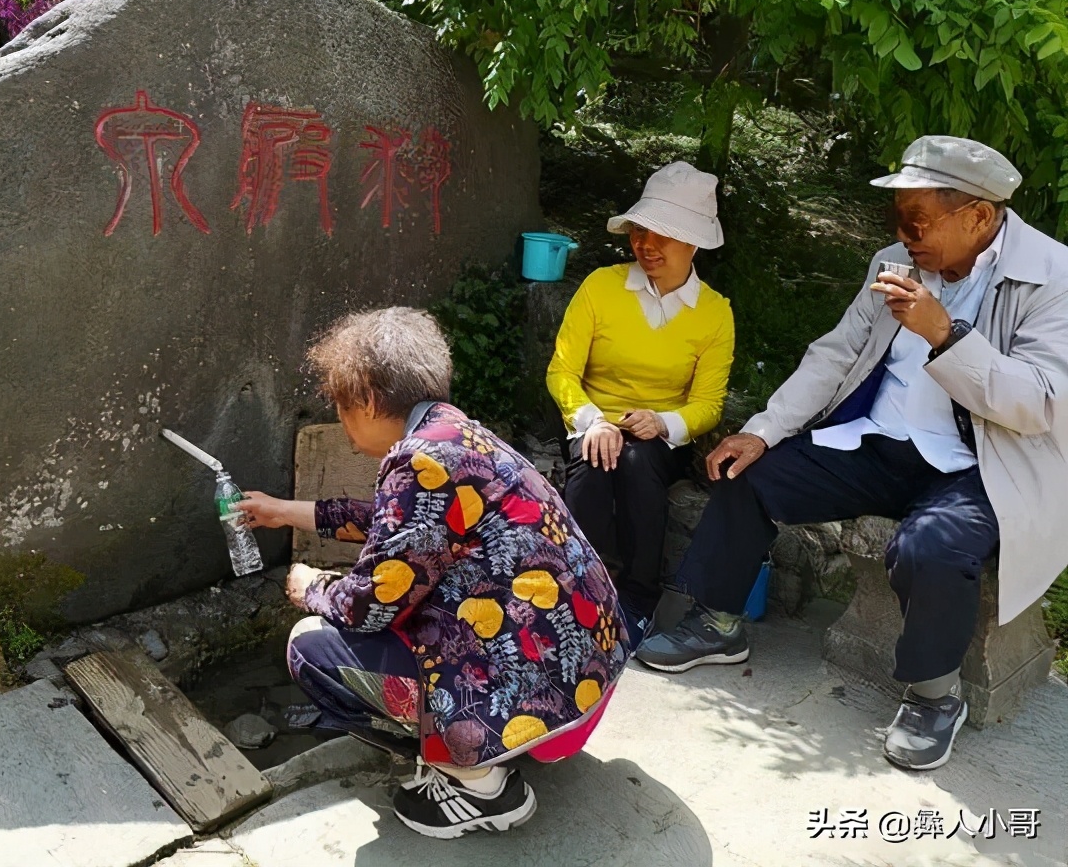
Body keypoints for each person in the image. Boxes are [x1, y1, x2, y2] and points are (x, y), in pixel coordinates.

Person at [635, 135, 1068, 771]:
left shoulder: (1052, 276)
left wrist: (944, 334)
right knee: (751, 469)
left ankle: (934, 695)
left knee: (933, 547)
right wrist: (763, 429)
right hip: (879, 439)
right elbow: (836, 353)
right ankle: (719, 622)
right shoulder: (897, 259)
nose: (902, 235)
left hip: (980, 463)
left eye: (916, 221)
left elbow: (1040, 401)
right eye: (896, 220)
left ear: (977, 215)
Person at [238, 307, 629, 839]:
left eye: (342, 405)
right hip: (580, 685)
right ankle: (484, 751)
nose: (343, 421)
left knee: (312, 646)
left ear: (371, 400)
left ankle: (478, 782)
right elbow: (394, 525)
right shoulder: (454, 437)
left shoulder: (420, 461)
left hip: (533, 710)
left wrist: (313, 588)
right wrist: (284, 510)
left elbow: (367, 604)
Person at [546, 161, 735, 638]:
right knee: (592, 470)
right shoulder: (601, 287)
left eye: (662, 236)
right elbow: (562, 370)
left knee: (637, 462)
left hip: (660, 441)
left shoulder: (714, 314)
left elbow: (708, 405)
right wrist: (591, 421)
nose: (645, 244)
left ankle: (636, 596)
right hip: (594, 423)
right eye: (639, 231)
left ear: (693, 243)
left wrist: (664, 422)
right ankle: (572, 593)